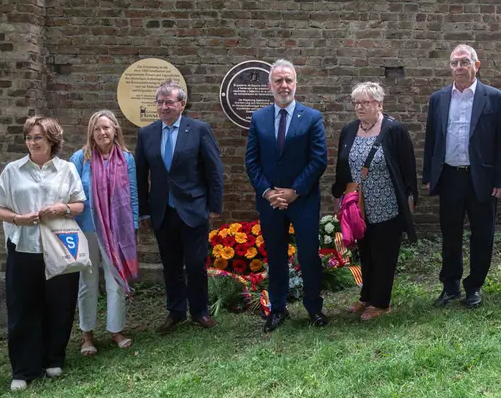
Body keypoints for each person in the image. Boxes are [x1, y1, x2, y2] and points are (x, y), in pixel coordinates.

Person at [0, 116, 86, 391]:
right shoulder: (12, 170)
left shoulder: (67, 169)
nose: (32, 142)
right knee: (23, 307)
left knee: (60, 304)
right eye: (28, 138)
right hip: (24, 246)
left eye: (38, 137)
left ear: (52, 140)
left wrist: (62, 209)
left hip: (59, 247)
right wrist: (17, 219)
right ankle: (24, 369)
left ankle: (53, 358)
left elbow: (79, 204)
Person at [423, 44, 501, 309]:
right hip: (450, 176)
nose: (459, 68)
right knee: (450, 234)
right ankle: (450, 286)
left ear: (477, 65)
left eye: (464, 62)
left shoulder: (495, 98)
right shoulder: (438, 99)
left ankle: (474, 287)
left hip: (481, 178)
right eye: (454, 63)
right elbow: (431, 140)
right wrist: (430, 174)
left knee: (482, 235)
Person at [245, 59, 329, 332]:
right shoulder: (258, 119)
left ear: (296, 84)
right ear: (270, 85)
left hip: (303, 200)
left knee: (309, 255)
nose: (284, 85)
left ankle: (314, 307)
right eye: (278, 80)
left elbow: (318, 160)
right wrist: (268, 192)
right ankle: (278, 309)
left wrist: (295, 191)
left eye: (288, 80)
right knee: (276, 256)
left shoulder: (312, 117)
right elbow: (251, 162)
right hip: (270, 202)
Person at [135, 80, 224, 333]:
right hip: (162, 211)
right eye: (160, 102)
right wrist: (143, 210)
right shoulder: (146, 133)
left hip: (194, 209)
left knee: (195, 265)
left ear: (182, 104)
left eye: (169, 102)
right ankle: (175, 311)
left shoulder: (199, 129)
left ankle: (199, 311)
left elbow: (214, 170)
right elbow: (140, 175)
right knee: (171, 265)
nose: (164, 107)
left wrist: (214, 206)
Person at [331, 82, 418, 320]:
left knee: (384, 254)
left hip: (387, 204)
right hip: (358, 205)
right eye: (356, 103)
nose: (360, 107)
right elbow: (342, 165)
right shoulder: (349, 130)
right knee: (365, 252)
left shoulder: (394, 130)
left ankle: (381, 302)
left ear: (379, 104)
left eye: (365, 102)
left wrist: (410, 199)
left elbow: (408, 168)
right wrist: (339, 195)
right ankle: (366, 296)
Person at [70, 110, 139, 355]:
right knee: (87, 284)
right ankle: (87, 334)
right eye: (97, 129)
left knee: (116, 281)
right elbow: (70, 193)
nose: (102, 132)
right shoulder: (80, 158)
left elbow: (132, 193)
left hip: (118, 230)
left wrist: (133, 226)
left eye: (106, 127)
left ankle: (116, 330)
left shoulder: (126, 159)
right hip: (86, 229)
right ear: (91, 133)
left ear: (115, 130)